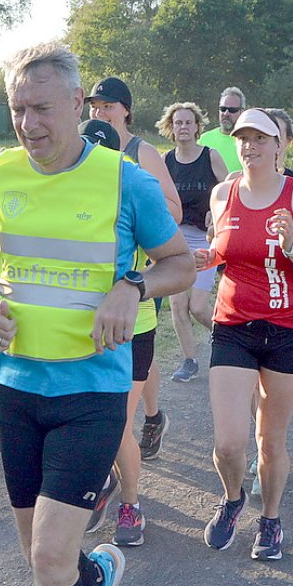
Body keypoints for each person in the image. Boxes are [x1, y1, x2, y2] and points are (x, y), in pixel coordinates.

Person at [0, 44, 192, 586]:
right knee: (44, 560)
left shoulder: (123, 181)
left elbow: (180, 261)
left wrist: (134, 287)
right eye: (17, 110)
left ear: (78, 103)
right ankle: (97, 577)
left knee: (49, 552)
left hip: (91, 392)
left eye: (41, 108)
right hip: (16, 389)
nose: (28, 123)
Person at [198, 108, 293, 560]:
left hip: (288, 328)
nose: (250, 146)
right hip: (234, 324)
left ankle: (271, 519)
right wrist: (207, 260)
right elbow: (225, 249)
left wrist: (292, 246)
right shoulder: (223, 194)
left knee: (269, 443)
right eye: (243, 138)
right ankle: (233, 498)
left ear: (279, 146)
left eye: (260, 139)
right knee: (228, 442)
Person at [86, 77, 182, 549]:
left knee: (115, 422)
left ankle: (130, 501)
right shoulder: (76, 154)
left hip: (134, 305)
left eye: (107, 106)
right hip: (82, 317)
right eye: (94, 106)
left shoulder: (142, 155)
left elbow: (172, 211)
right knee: (92, 417)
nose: (100, 112)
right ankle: (98, 484)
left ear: (124, 110)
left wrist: (130, 199)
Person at [158, 101, 228, 391]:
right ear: (170, 128)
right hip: (177, 239)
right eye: (178, 123)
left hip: (206, 238)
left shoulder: (210, 156)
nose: (183, 127)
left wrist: (217, 216)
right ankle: (190, 360)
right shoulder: (166, 161)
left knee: (198, 307)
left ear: (197, 127)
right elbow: (157, 198)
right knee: (177, 303)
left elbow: (228, 192)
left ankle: (225, 338)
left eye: (188, 122)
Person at [197, 86, 246, 173]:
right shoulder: (204, 139)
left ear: (242, 112)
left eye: (232, 110)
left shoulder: (248, 142)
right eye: (223, 109)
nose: (226, 114)